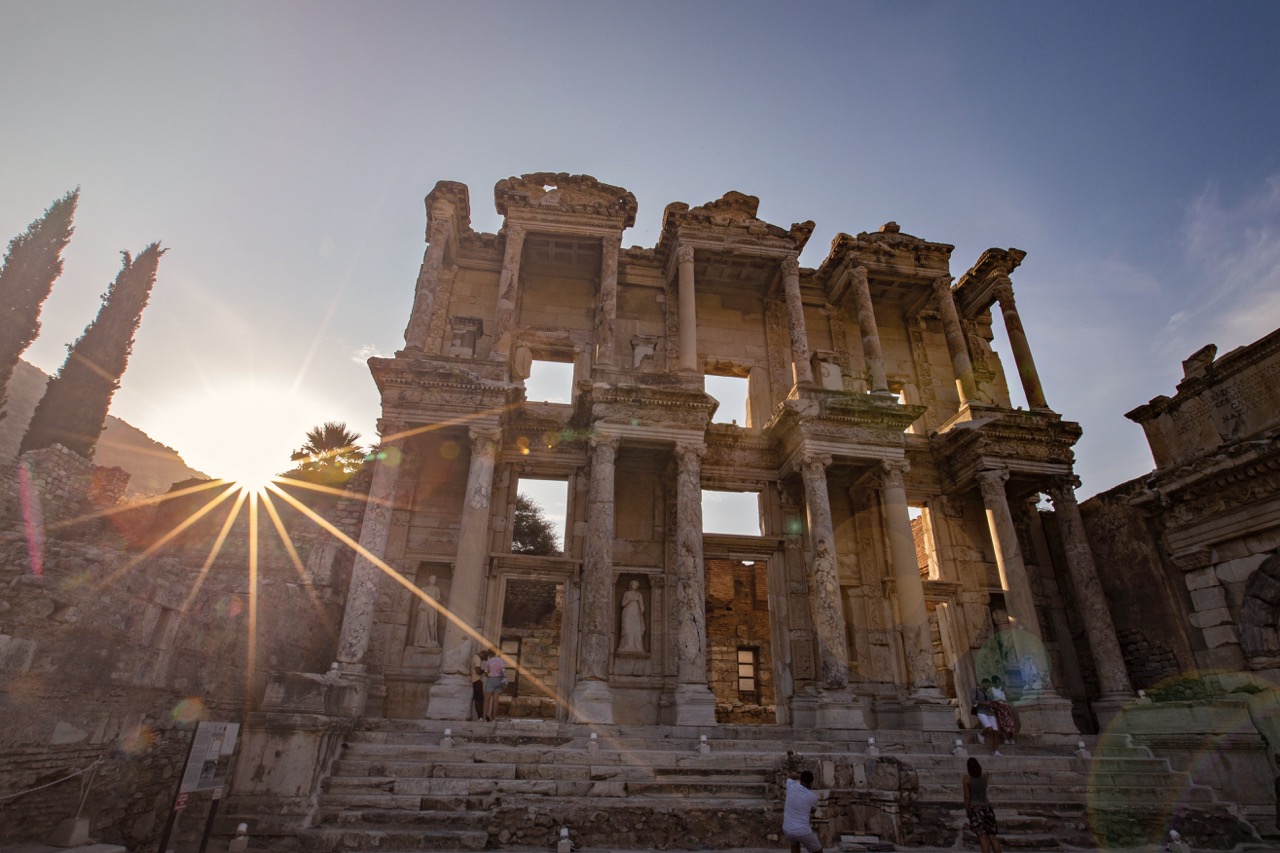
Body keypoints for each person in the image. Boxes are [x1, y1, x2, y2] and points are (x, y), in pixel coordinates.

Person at [964, 757, 1002, 853]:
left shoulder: (966, 779)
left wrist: (967, 809)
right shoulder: (985, 777)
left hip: (976, 809)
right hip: (987, 808)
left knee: (982, 836)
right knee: (992, 836)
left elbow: (967, 796)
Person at [781, 767, 822, 853]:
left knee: (795, 844)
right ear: (811, 783)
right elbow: (813, 811)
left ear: (800, 780)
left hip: (787, 829)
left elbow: (789, 776)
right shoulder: (812, 797)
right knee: (818, 850)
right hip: (802, 831)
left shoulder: (791, 785)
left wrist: (798, 775)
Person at [972, 678, 1002, 756]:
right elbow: (973, 701)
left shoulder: (988, 694)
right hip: (981, 712)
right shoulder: (975, 691)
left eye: (989, 686)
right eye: (987, 685)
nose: (988, 687)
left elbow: (991, 702)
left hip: (990, 713)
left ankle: (996, 751)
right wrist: (984, 703)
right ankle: (981, 734)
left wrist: (995, 705)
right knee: (989, 728)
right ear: (983, 684)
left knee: (995, 732)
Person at [618, 580, 646, 653]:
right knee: (627, 630)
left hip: (636, 614)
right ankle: (626, 646)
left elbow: (641, 604)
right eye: (633, 585)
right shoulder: (627, 593)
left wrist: (642, 609)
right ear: (631, 586)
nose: (635, 586)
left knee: (637, 629)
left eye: (636, 585)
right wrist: (630, 599)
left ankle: (638, 647)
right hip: (628, 613)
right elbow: (623, 604)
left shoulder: (639, 594)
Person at [989, 676, 1018, 745]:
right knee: (1002, 724)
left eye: (999, 682)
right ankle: (1005, 739)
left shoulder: (1003, 688)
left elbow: (1009, 697)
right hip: (998, 707)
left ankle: (1012, 738)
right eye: (996, 683)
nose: (998, 684)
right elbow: (990, 699)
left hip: (1006, 706)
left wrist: (1006, 692)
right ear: (993, 683)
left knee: (1010, 723)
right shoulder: (991, 690)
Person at [414, 576, 441, 646]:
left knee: (431, 623)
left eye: (435, 579)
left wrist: (434, 598)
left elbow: (439, 598)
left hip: (432, 607)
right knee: (422, 622)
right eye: (432, 579)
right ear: (429, 580)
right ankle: (421, 640)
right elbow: (421, 595)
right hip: (424, 606)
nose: (433, 580)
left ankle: (432, 640)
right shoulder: (424, 588)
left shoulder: (436, 589)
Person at [482, 650, 506, 722]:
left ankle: (483, 718)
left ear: (489, 654)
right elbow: (503, 671)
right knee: (496, 700)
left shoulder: (488, 661)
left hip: (491, 680)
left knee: (487, 700)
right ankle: (494, 718)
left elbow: (485, 672)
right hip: (499, 680)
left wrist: (489, 676)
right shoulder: (501, 661)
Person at [470, 648, 489, 720]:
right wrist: (483, 670)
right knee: (479, 699)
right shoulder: (478, 658)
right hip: (477, 680)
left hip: (474, 680)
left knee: (479, 699)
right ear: (483, 654)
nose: (483, 660)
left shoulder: (474, 657)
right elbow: (478, 671)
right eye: (484, 658)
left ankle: (481, 715)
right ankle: (480, 716)